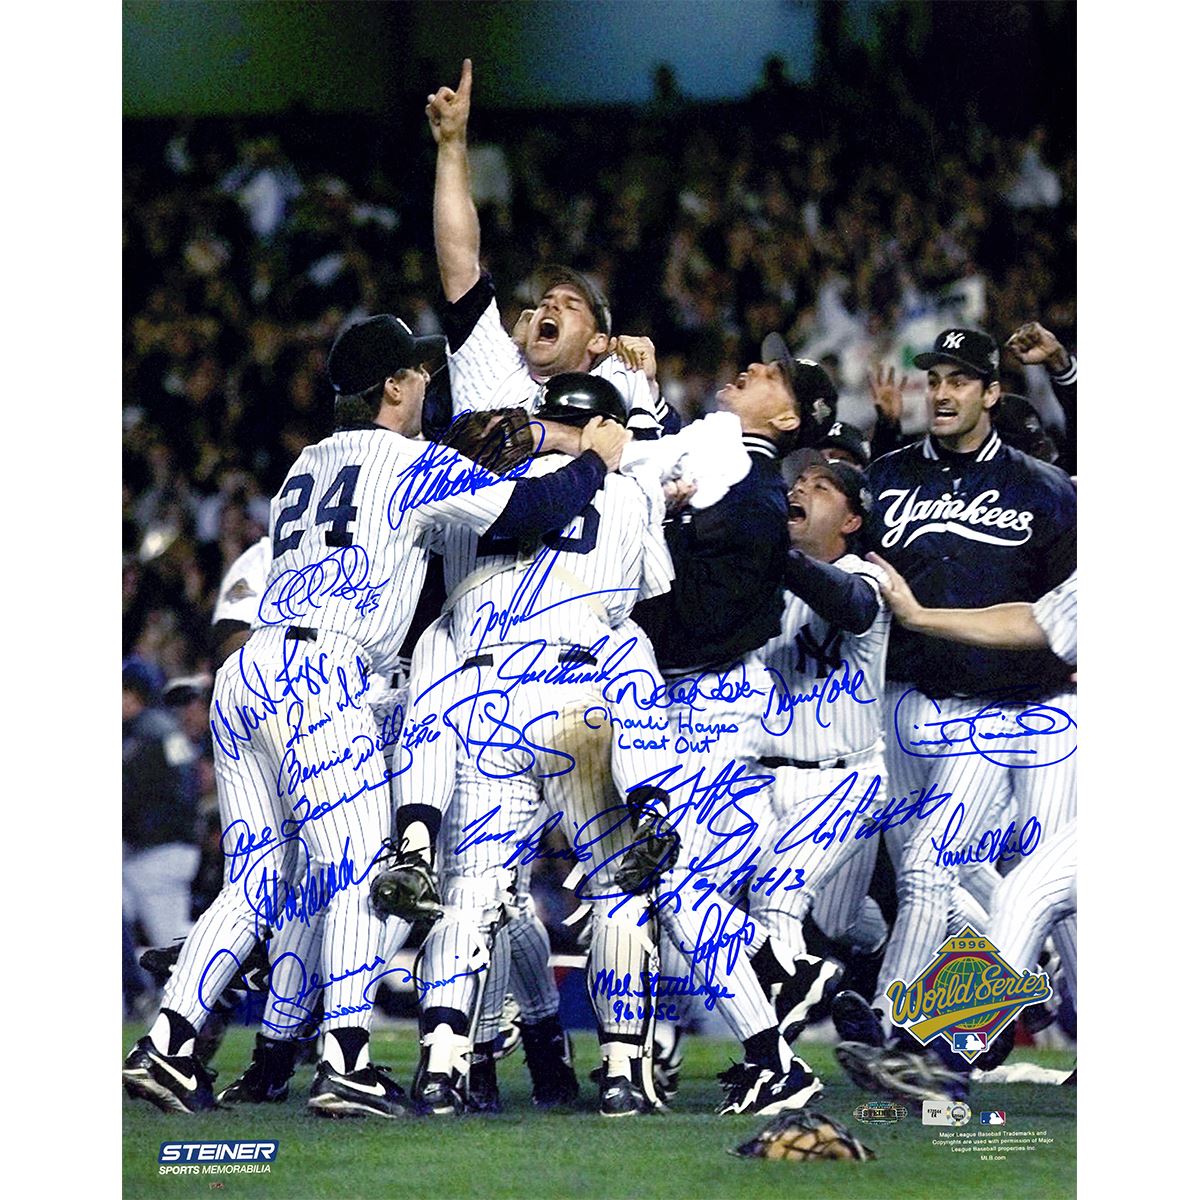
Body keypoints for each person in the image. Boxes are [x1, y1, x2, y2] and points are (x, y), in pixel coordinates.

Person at [121, 312, 629, 1117]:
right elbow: (529, 514)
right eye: (418, 372)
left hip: (250, 668)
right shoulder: (412, 462)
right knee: (362, 870)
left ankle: (167, 1047)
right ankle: (346, 1062)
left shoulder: (305, 463)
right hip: (322, 671)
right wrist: (594, 460)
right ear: (393, 386)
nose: (427, 382)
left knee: (256, 878)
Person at [834, 327, 1075, 1059]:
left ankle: (906, 1031)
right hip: (903, 704)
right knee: (924, 873)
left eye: (960, 380)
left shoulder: (1045, 489)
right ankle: (975, 999)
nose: (941, 392)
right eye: (934, 378)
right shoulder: (887, 478)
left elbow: (1053, 616)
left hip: (1007, 710)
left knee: (947, 867)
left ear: (992, 393)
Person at [619, 347, 839, 1116]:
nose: (752, 368)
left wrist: (663, 522)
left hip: (712, 704)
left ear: (788, 416)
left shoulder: (753, 496)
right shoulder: (728, 471)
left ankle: (777, 1013)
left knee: (677, 889)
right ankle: (771, 1012)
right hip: (689, 699)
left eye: (772, 375)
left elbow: (700, 616)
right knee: (675, 892)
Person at [424, 59, 672, 439]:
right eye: (545, 301)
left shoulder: (615, 383)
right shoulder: (497, 361)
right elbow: (458, 259)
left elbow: (667, 455)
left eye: (571, 305)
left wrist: (649, 388)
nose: (550, 306)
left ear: (598, 341)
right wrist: (452, 145)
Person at [123, 660, 201, 949]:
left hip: (155, 851)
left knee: (171, 942)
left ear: (133, 694)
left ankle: (236, 954)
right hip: (174, 845)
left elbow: (126, 796)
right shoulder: (167, 728)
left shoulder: (144, 734)